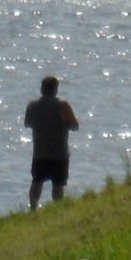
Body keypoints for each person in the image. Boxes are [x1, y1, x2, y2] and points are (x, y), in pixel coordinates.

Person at [23, 74, 79, 209]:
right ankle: (58, 210)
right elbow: (75, 126)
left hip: (40, 153)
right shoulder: (63, 106)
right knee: (58, 185)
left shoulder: (32, 106)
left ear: (42, 89)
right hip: (59, 154)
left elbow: (27, 123)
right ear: (56, 89)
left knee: (36, 182)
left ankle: (33, 209)